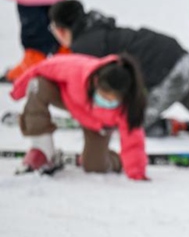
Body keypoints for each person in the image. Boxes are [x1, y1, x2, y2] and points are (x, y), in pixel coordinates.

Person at [48, 0, 189, 137]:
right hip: (182, 59)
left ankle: (166, 126)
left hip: (169, 74)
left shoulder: (84, 46)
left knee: (132, 124)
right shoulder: (96, 26)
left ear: (61, 29)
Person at [9, 53, 149, 180]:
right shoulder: (78, 71)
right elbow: (42, 67)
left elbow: (133, 141)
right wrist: (17, 90)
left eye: (111, 100)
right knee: (37, 85)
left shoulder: (129, 108)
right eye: (102, 95)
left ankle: (116, 160)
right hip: (70, 100)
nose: (104, 100)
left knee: (95, 167)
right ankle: (43, 151)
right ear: (95, 81)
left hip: (97, 126)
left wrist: (136, 170)